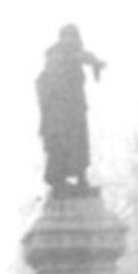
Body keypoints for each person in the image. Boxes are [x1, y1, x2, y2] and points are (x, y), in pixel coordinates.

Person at [35, 24, 105, 193]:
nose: (73, 41)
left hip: (74, 110)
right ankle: (59, 181)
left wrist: (95, 62)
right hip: (60, 114)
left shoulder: (69, 54)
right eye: (70, 37)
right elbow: (47, 84)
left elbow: (83, 57)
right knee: (61, 146)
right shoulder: (58, 55)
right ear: (63, 38)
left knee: (79, 146)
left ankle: (81, 179)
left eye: (75, 37)